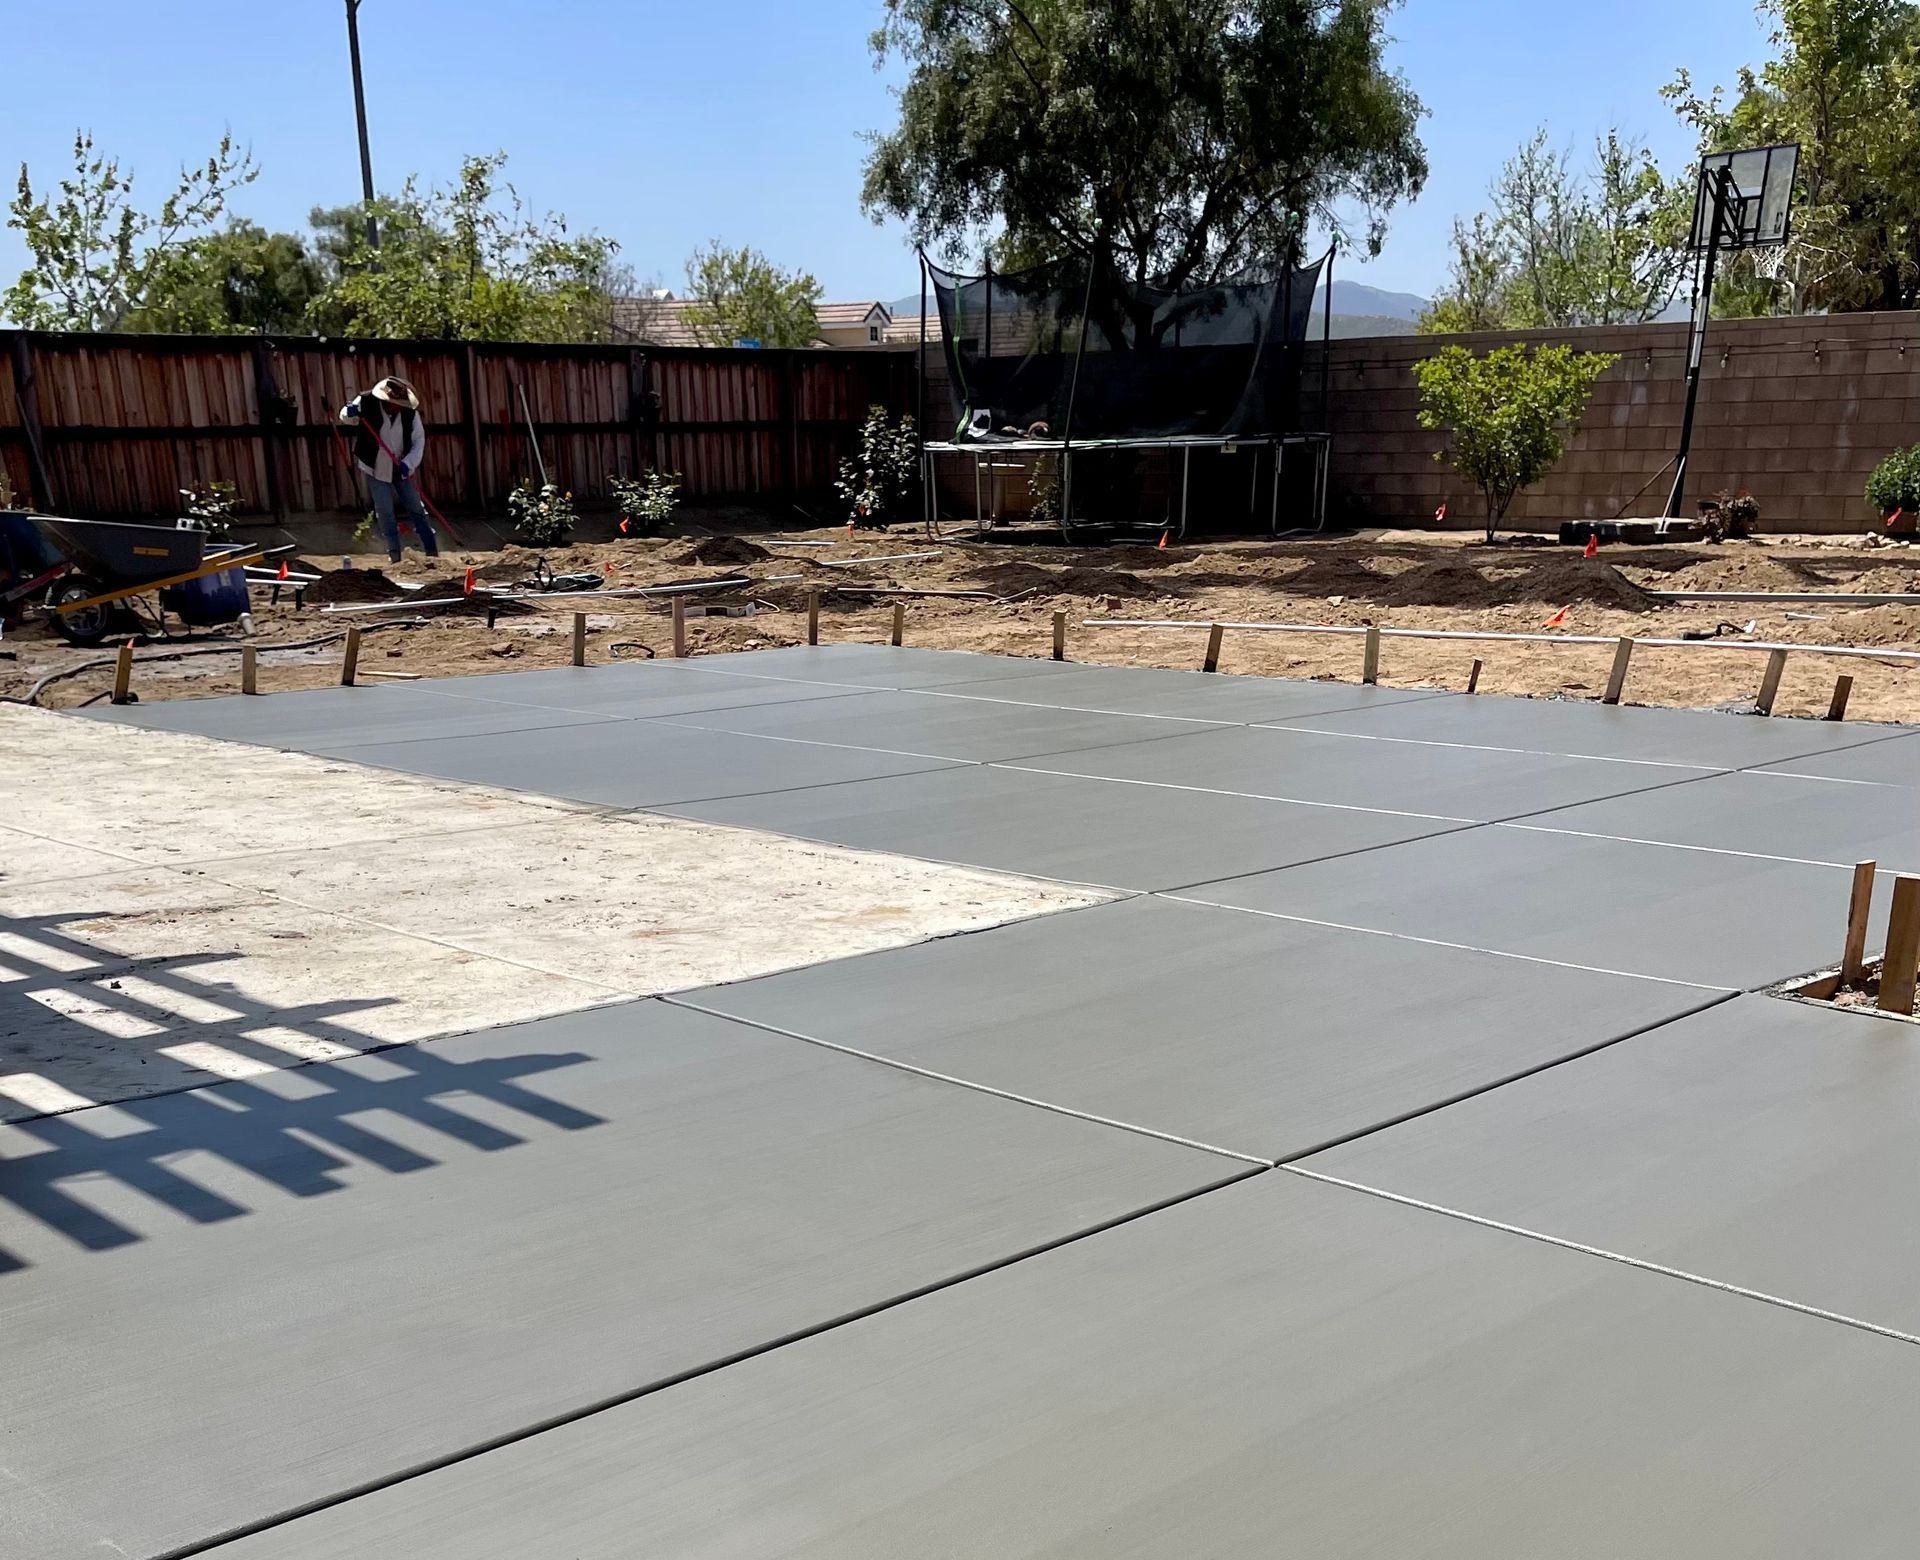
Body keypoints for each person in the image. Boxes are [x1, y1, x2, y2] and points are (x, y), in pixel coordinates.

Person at [339, 375, 438, 564]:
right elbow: (346, 417)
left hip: (401, 467)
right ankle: (395, 556)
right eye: (394, 403)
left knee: (416, 508)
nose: (397, 406)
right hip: (375, 466)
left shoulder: (411, 414)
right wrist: (349, 412)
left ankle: (431, 550)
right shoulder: (367, 401)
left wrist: (408, 464)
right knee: (385, 511)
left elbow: (419, 442)